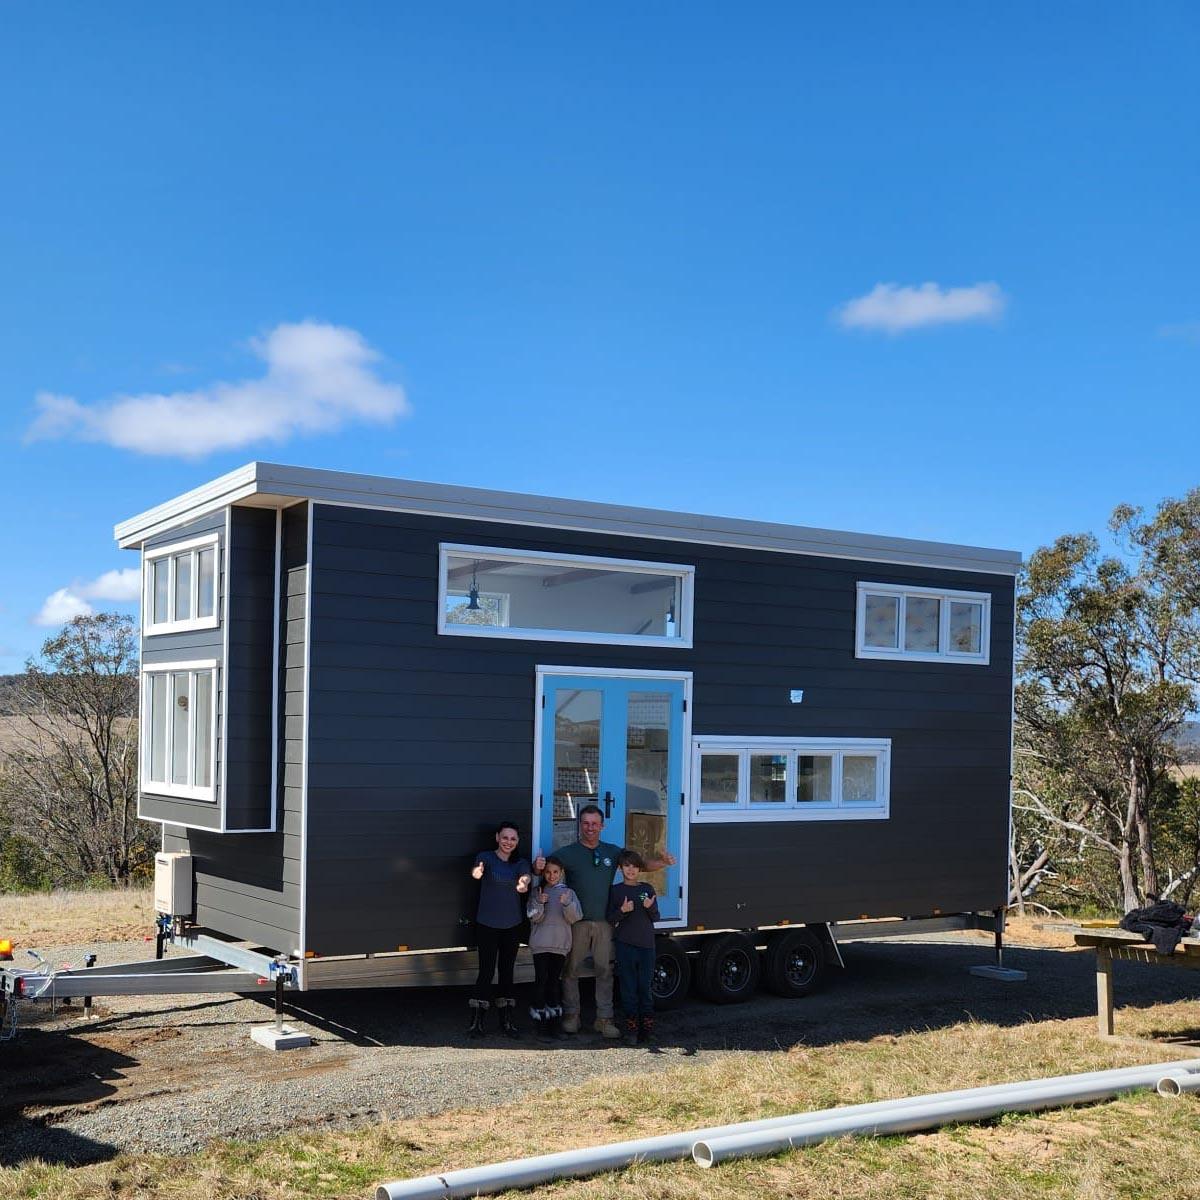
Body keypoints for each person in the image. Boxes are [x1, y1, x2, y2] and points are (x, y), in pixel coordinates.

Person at [534, 804, 675, 1038]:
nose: (590, 828)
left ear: (602, 826)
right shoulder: (568, 853)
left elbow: (637, 864)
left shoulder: (612, 852)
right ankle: (572, 1015)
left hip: (605, 924)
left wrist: (662, 862)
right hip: (577, 923)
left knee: (604, 972)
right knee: (571, 970)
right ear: (580, 825)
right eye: (586, 823)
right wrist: (537, 868)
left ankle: (604, 1019)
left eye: (594, 824)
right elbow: (547, 870)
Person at [468, 821, 532, 1038]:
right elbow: (477, 871)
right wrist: (477, 872)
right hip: (487, 924)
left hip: (511, 925)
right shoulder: (486, 857)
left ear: (517, 841)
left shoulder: (520, 863)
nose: (508, 842)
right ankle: (477, 1021)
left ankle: (507, 1020)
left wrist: (523, 883)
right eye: (505, 837)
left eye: (513, 839)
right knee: (486, 971)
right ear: (497, 837)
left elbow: (526, 876)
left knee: (507, 971)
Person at [525, 855, 582, 1041]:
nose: (551, 875)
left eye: (555, 872)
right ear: (543, 873)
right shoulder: (537, 891)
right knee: (541, 982)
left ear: (561, 873)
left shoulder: (569, 893)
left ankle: (554, 1026)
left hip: (559, 946)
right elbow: (533, 916)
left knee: (554, 984)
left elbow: (575, 917)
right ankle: (539, 1026)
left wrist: (567, 904)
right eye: (548, 872)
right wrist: (540, 902)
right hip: (541, 945)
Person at [607, 849, 661, 1044]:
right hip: (625, 946)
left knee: (644, 988)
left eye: (635, 866)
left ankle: (647, 1029)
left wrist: (650, 907)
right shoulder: (616, 890)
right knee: (628, 988)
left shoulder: (647, 889)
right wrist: (622, 911)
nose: (631, 870)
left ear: (640, 869)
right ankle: (631, 1029)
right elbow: (610, 919)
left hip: (647, 946)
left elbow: (656, 917)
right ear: (621, 868)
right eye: (627, 866)